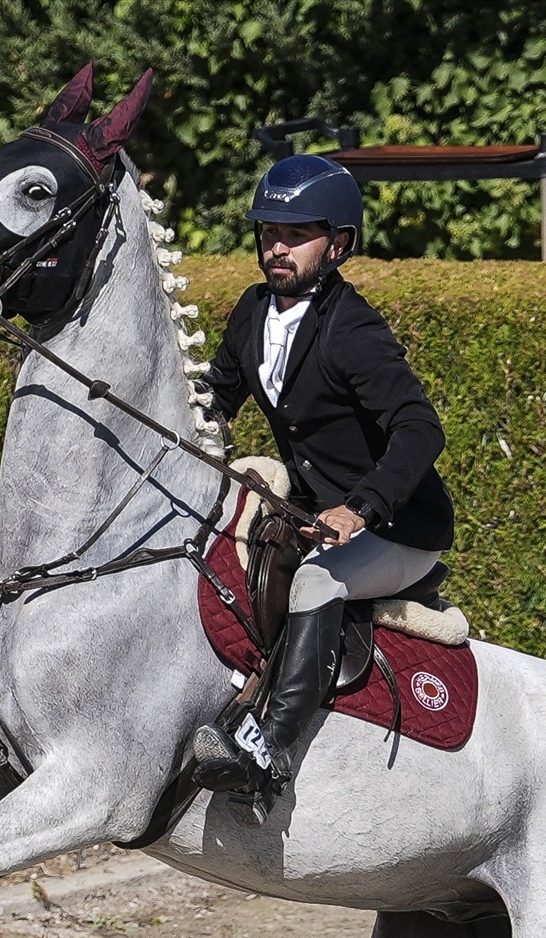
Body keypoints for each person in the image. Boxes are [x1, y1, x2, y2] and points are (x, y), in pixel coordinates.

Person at [193, 154, 454, 811]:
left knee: (315, 579)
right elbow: (215, 399)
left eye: (295, 234)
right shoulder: (252, 311)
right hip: (313, 514)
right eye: (266, 233)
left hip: (397, 528)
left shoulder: (353, 329)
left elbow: (420, 430)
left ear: (337, 244)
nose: (275, 247)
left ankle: (268, 750)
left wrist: (360, 507)